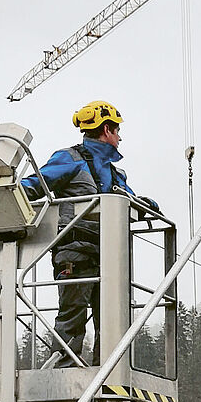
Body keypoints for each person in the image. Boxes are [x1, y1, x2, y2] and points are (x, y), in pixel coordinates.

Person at [21, 100, 158, 366]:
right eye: (117, 131)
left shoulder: (114, 173)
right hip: (76, 254)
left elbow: (127, 201)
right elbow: (34, 185)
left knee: (111, 319)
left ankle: (104, 373)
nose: (119, 137)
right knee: (72, 315)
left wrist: (144, 205)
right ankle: (63, 371)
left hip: (108, 258)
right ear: (107, 129)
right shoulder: (69, 159)